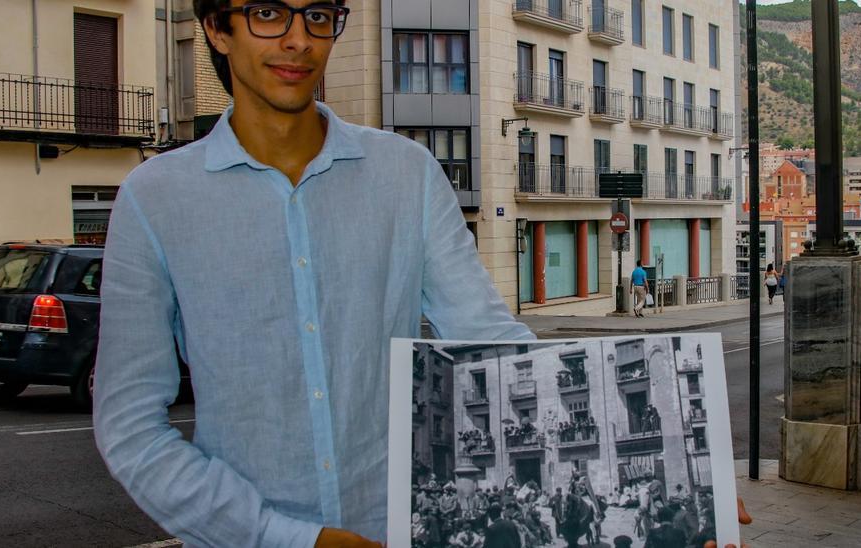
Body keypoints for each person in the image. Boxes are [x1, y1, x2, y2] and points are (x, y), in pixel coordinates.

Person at [91, 2, 536, 546]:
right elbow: (130, 429)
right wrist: (283, 538)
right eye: (268, 13)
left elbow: (490, 342)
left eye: (318, 15)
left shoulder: (407, 174)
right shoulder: (154, 199)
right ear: (216, 29)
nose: (299, 39)